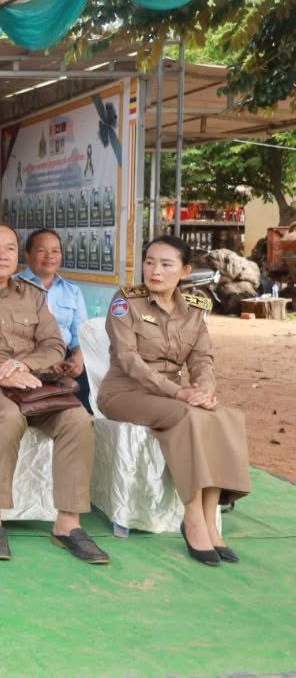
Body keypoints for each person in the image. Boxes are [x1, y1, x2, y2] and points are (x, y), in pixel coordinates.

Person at [0, 224, 107, 564]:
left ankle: (68, 523)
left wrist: (23, 366)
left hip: (32, 383)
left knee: (77, 419)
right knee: (7, 415)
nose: (3, 256)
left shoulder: (33, 295)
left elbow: (54, 345)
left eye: (10, 249)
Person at [100, 235, 250, 566]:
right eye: (149, 262)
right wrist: (178, 393)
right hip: (125, 393)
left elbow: (202, 359)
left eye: (166, 264)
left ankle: (211, 521)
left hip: (175, 396)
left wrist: (204, 389)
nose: (155, 271)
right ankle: (192, 517)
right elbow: (128, 360)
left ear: (185, 271)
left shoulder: (196, 309)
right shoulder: (125, 301)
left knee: (223, 416)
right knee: (190, 416)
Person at [17, 229, 92, 412]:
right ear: (27, 255)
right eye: (42, 250)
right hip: (26, 359)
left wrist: (78, 359)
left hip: (64, 361)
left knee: (84, 405)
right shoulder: (13, 286)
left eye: (55, 251)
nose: (49, 256)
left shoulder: (72, 291)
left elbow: (80, 335)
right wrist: (46, 362)